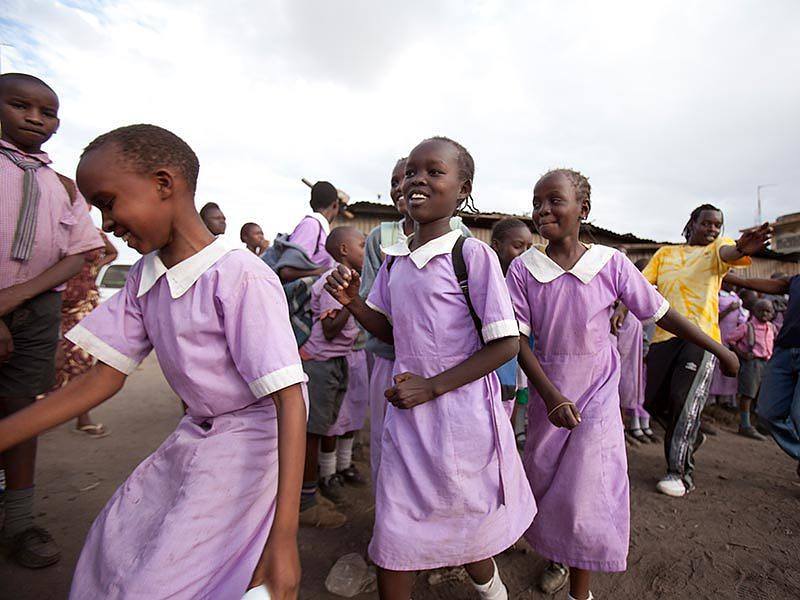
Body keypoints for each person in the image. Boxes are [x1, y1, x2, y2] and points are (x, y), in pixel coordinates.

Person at [0, 124, 307, 598]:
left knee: (164, 577)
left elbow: (290, 401)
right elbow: (99, 381)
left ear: (164, 184)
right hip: (201, 431)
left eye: (108, 202)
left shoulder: (240, 275)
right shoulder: (146, 275)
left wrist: (284, 538)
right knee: (115, 543)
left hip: (256, 440)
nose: (105, 225)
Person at [506, 169, 739, 600]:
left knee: (589, 485)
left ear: (583, 209)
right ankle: (557, 554)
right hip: (548, 390)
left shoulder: (610, 263)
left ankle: (582, 589)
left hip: (596, 392)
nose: (542, 210)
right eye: (537, 202)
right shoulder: (524, 269)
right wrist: (551, 395)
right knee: (548, 478)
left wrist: (719, 349)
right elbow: (517, 338)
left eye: (555, 200)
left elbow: (661, 312)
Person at [326, 137, 535, 600]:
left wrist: (433, 386)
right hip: (409, 412)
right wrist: (354, 303)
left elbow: (505, 344)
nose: (418, 180)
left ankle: (491, 589)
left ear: (463, 190)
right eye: (412, 173)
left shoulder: (470, 255)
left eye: (434, 172)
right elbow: (393, 331)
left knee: (464, 515)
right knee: (395, 526)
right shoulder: (397, 260)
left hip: (459, 415)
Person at [0, 73, 104, 568]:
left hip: (36, 308)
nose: (35, 118)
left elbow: (79, 252)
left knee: (20, 412)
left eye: (47, 113)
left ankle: (19, 519)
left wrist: (17, 296)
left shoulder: (61, 185)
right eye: (21, 106)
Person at [641, 204, 770, 497]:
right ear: (692, 223)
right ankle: (692, 434)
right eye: (707, 224)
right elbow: (641, 284)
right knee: (653, 401)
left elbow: (729, 254)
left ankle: (680, 473)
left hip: (701, 340)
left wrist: (739, 248)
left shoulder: (717, 250)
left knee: (683, 402)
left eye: (717, 225)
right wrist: (623, 307)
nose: (712, 230)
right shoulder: (666, 254)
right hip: (664, 337)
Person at [299, 225, 365, 528]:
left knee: (323, 427)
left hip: (334, 361)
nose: (366, 251)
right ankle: (305, 501)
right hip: (320, 363)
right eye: (362, 245)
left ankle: (310, 491)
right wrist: (351, 303)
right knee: (313, 433)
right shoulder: (332, 280)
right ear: (343, 251)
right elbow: (329, 329)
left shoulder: (347, 279)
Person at [359, 158, 412, 487]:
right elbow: (371, 299)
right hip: (388, 355)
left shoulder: (457, 234)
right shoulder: (381, 236)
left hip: (441, 363)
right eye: (394, 182)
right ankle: (388, 521)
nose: (399, 188)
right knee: (386, 437)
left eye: (405, 179)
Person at [725, 273, 800, 478]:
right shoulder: (795, 280)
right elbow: (749, 282)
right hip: (784, 352)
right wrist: (718, 268)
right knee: (767, 412)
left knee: (798, 414)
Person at [53, 220, 118, 437]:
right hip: (52, 297)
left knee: (82, 356)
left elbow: (113, 252)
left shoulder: (94, 233)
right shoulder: (54, 230)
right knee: (46, 356)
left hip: (83, 303)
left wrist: (96, 266)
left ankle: (83, 417)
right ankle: (33, 414)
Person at [489, 218, 534, 421]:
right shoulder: (487, 280)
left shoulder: (529, 282)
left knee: (512, 404)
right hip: (488, 369)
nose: (525, 253)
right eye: (518, 246)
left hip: (516, 364)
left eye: (529, 247)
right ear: (496, 246)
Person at [728, 298, 776, 440]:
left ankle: (760, 424)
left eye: (768, 311)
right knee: (747, 394)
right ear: (754, 311)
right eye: (761, 310)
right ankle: (745, 424)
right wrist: (741, 353)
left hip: (766, 364)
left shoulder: (771, 327)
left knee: (763, 395)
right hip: (752, 364)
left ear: (772, 314)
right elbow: (730, 339)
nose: (764, 314)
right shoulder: (747, 326)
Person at [280, 181, 340, 283]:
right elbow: (286, 271)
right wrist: (322, 271)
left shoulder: (321, 229)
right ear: (335, 205)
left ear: (311, 204)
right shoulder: (311, 225)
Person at [708, 280, 748, 407]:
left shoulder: (735, 297)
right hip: (718, 334)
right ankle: (711, 396)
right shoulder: (717, 295)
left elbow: (742, 317)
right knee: (715, 365)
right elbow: (713, 317)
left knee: (728, 365)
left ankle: (726, 398)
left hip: (731, 336)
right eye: (730, 282)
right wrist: (729, 310)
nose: (733, 285)